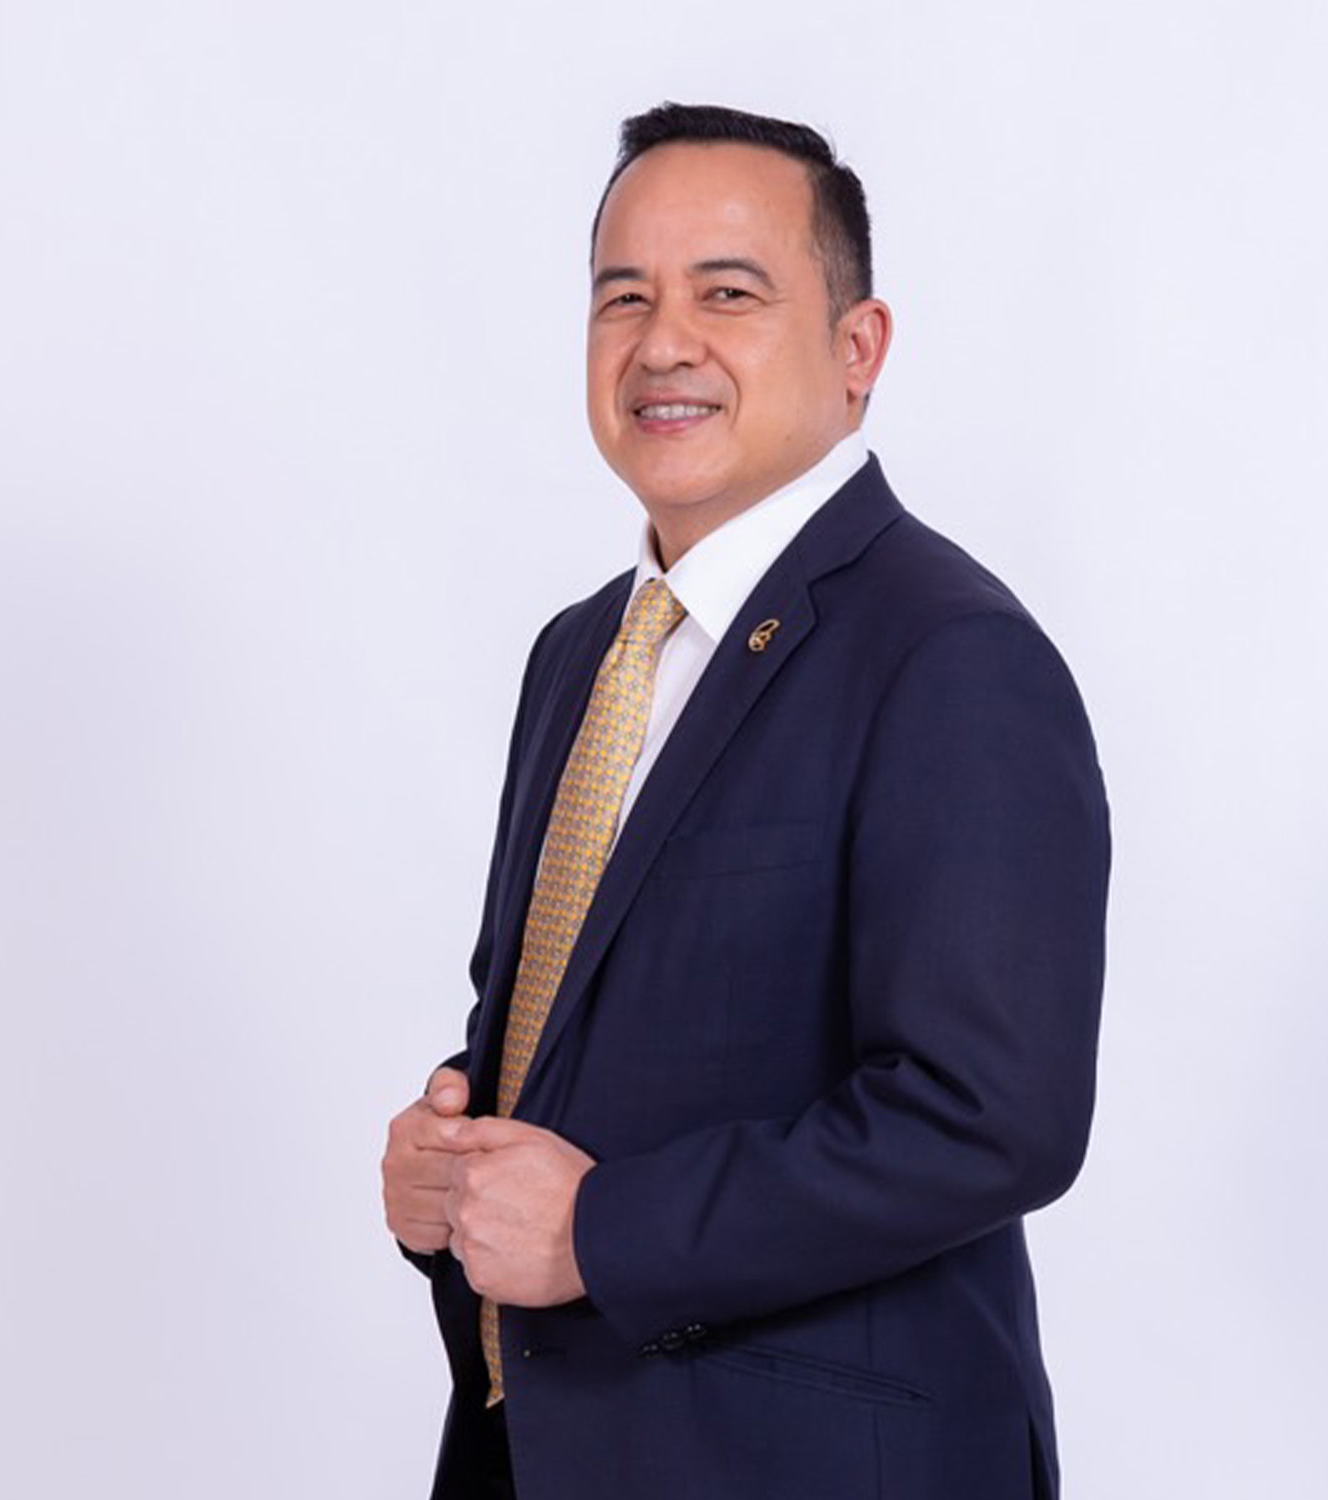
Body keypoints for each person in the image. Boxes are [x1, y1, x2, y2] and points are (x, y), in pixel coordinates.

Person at [380, 101, 1110, 1500]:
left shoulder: (949, 654)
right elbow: (561, 1034)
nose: (664, 344)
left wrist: (604, 1230)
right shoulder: (581, 654)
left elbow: (989, 1114)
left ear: (858, 348)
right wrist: (451, 1175)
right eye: (624, 298)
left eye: (728, 294)